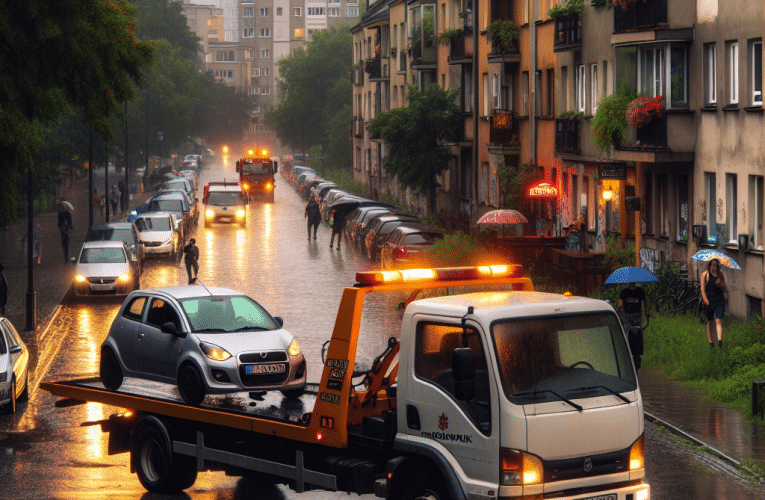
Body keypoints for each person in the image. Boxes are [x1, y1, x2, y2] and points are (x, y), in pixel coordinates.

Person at [701, 258, 726, 348]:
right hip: (709, 301)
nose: (714, 268)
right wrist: (705, 300)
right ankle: (711, 342)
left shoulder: (720, 274)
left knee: (718, 320)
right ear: (709, 265)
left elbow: (724, 288)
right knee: (709, 321)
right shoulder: (705, 275)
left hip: (719, 300)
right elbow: (702, 289)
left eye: (716, 265)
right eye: (713, 265)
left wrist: (720, 284)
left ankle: (719, 341)